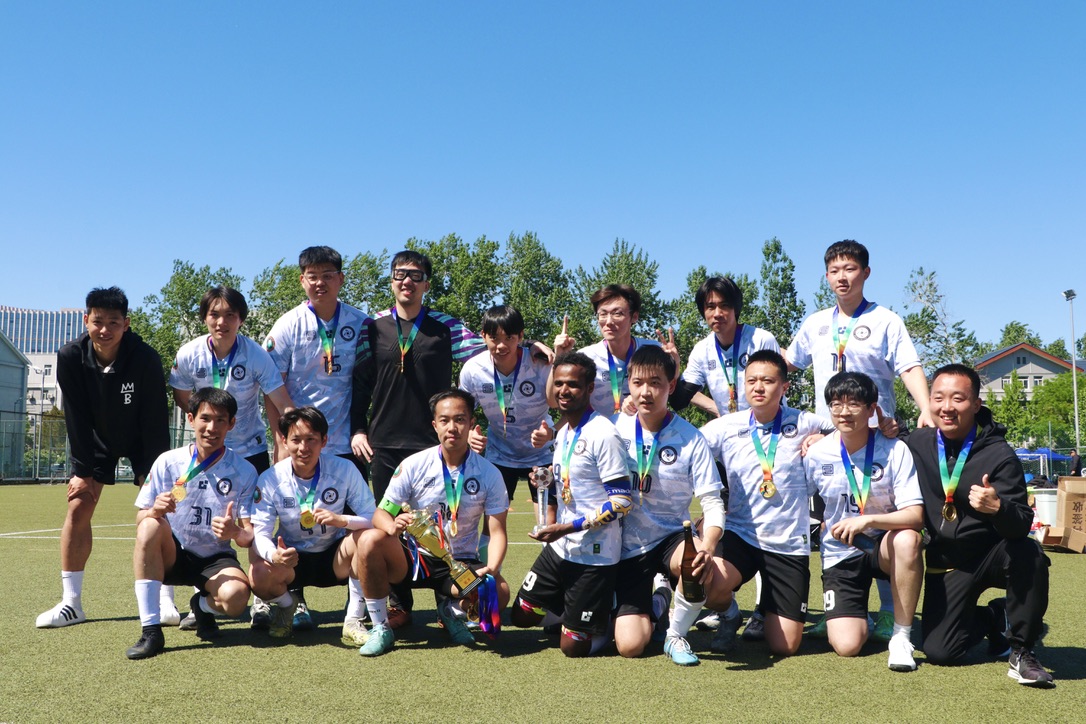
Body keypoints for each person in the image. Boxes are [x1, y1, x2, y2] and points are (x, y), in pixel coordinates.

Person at [786, 239, 932, 640]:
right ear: (826, 276)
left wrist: (925, 407)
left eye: (849, 269)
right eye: (834, 271)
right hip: (828, 436)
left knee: (881, 513)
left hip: (877, 434)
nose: (842, 277)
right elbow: (785, 365)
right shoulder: (815, 323)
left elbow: (909, 366)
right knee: (832, 518)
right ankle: (839, 608)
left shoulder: (886, 320)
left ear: (865, 273)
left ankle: (889, 611)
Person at [351, 250, 489, 627]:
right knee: (391, 526)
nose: (407, 281)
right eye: (400, 274)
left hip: (436, 445)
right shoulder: (373, 327)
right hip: (384, 444)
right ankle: (399, 602)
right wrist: (358, 429)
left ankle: (450, 599)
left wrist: (532, 349)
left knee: (443, 523)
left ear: (426, 284)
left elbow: (490, 355)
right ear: (391, 281)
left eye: (415, 275)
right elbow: (360, 383)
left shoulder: (447, 327)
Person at [907, 364, 1054, 688]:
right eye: (938, 398)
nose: (947, 407)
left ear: (975, 404)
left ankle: (1022, 651)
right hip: (948, 563)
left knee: (1028, 553)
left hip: (993, 554)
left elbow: (1022, 524)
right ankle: (994, 617)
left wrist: (998, 508)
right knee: (940, 651)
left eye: (958, 399)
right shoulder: (916, 443)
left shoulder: (1000, 455)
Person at [37, 286, 171, 629]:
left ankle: (166, 599)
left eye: (114, 322)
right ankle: (71, 603)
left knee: (160, 511)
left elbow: (155, 417)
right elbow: (76, 416)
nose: (105, 329)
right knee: (78, 506)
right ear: (86, 320)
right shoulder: (70, 356)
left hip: (141, 438)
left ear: (126, 323)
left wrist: (155, 470)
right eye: (98, 321)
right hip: (96, 439)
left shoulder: (145, 358)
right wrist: (82, 471)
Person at [262, 246, 371, 629]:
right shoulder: (287, 325)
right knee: (292, 520)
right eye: (313, 276)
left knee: (357, 524)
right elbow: (271, 386)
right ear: (302, 280)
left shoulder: (362, 323)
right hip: (301, 445)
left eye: (328, 275)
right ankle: (296, 599)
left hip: (347, 445)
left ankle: (357, 607)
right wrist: (282, 440)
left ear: (341, 279)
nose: (320, 282)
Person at [355, 390, 511, 656]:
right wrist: (391, 526)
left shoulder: (489, 473)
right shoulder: (414, 465)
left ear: (471, 423)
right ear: (435, 425)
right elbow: (380, 513)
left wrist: (492, 569)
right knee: (370, 539)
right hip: (412, 559)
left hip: (458, 562)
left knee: (498, 592)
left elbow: (497, 532)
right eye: (445, 420)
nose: (452, 427)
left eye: (460, 419)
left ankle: (451, 611)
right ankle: (381, 627)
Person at [700, 349, 832, 656]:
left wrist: (826, 438)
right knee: (706, 584)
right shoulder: (726, 426)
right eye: (752, 381)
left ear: (784, 387)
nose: (758, 387)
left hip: (788, 544)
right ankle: (730, 615)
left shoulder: (805, 421)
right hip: (741, 535)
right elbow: (687, 446)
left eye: (768, 381)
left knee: (784, 646)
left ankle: (766, 609)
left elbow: (850, 431)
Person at [511, 352, 633, 657]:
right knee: (522, 616)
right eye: (559, 384)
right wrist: (546, 479)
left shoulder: (603, 433)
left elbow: (621, 501)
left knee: (573, 648)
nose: (564, 390)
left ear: (589, 388)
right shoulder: (564, 432)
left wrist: (567, 527)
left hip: (596, 554)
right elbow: (571, 484)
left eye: (573, 385)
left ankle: (607, 618)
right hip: (561, 547)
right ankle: (574, 612)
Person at [803, 372, 924, 672]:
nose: (844, 412)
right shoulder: (817, 453)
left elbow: (915, 515)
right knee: (847, 646)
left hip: (882, 547)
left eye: (854, 404)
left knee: (909, 539)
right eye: (836, 404)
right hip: (839, 552)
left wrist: (866, 519)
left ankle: (901, 637)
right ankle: (858, 618)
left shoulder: (894, 449)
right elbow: (797, 503)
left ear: (872, 409)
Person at [613, 345, 725, 666]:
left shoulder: (691, 438)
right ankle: (661, 599)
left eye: (655, 383)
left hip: (671, 537)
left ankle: (676, 634)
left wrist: (708, 545)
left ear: (671, 385)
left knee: (698, 564)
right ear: (628, 384)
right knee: (630, 646)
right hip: (626, 546)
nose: (645, 392)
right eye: (638, 383)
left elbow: (712, 502)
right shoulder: (615, 430)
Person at [125, 388, 257, 659]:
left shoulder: (244, 471)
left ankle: (201, 606)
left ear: (232, 423)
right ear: (190, 418)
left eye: (220, 420)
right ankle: (150, 631)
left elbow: (248, 536)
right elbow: (139, 518)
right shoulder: (167, 462)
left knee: (236, 599)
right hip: (172, 553)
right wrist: (154, 510)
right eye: (205, 418)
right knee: (149, 525)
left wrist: (234, 531)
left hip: (215, 558)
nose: (211, 428)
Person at [248, 407, 377, 644]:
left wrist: (342, 520)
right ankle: (287, 607)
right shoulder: (270, 478)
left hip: (335, 557)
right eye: (296, 440)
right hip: (292, 559)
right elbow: (260, 532)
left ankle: (353, 619)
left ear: (324, 441)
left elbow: (373, 517)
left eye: (311, 440)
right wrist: (274, 555)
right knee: (258, 572)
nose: (303, 448)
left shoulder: (344, 469)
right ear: (284, 441)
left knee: (368, 539)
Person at [171, 286, 294, 474]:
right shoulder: (188, 354)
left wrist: (286, 442)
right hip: (207, 450)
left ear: (241, 320)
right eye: (214, 315)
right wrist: (210, 421)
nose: (221, 322)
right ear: (204, 318)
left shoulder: (257, 355)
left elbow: (283, 404)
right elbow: (181, 398)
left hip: (250, 450)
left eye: (230, 315)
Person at [459, 304, 556, 540]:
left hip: (541, 452)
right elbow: (461, 412)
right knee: (491, 525)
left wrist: (551, 434)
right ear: (483, 336)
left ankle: (551, 564)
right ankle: (487, 564)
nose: (501, 345)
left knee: (549, 525)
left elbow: (562, 406)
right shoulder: (473, 369)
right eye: (494, 338)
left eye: (509, 338)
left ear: (520, 336)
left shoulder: (540, 364)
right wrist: (469, 433)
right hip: (499, 454)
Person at [551, 284, 679, 420]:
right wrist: (559, 357)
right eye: (603, 314)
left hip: (645, 430)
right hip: (599, 431)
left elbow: (674, 393)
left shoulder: (654, 351)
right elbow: (553, 403)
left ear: (634, 316)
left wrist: (675, 364)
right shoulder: (586, 357)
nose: (609, 321)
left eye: (617, 314)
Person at [671, 276, 781, 416]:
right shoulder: (701, 350)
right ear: (703, 312)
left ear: (736, 309)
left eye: (724, 306)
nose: (717, 314)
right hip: (731, 427)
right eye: (710, 307)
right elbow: (679, 402)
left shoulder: (761, 340)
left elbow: (776, 393)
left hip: (769, 424)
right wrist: (674, 367)